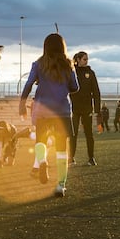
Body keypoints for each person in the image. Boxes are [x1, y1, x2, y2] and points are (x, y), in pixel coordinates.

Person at [19, 33, 79, 197]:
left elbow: (29, 83)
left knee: (41, 141)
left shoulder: (38, 64)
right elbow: (75, 87)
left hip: (43, 110)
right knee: (61, 149)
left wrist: (22, 103)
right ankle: (61, 186)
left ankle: (43, 162)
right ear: (62, 47)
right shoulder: (68, 65)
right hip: (62, 111)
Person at [69, 51, 102, 166]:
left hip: (87, 108)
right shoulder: (72, 71)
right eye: (84, 59)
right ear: (77, 59)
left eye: (87, 59)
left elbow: (96, 92)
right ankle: (71, 158)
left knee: (89, 134)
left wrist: (97, 110)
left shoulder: (90, 73)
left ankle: (91, 158)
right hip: (74, 108)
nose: (86, 61)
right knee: (73, 133)